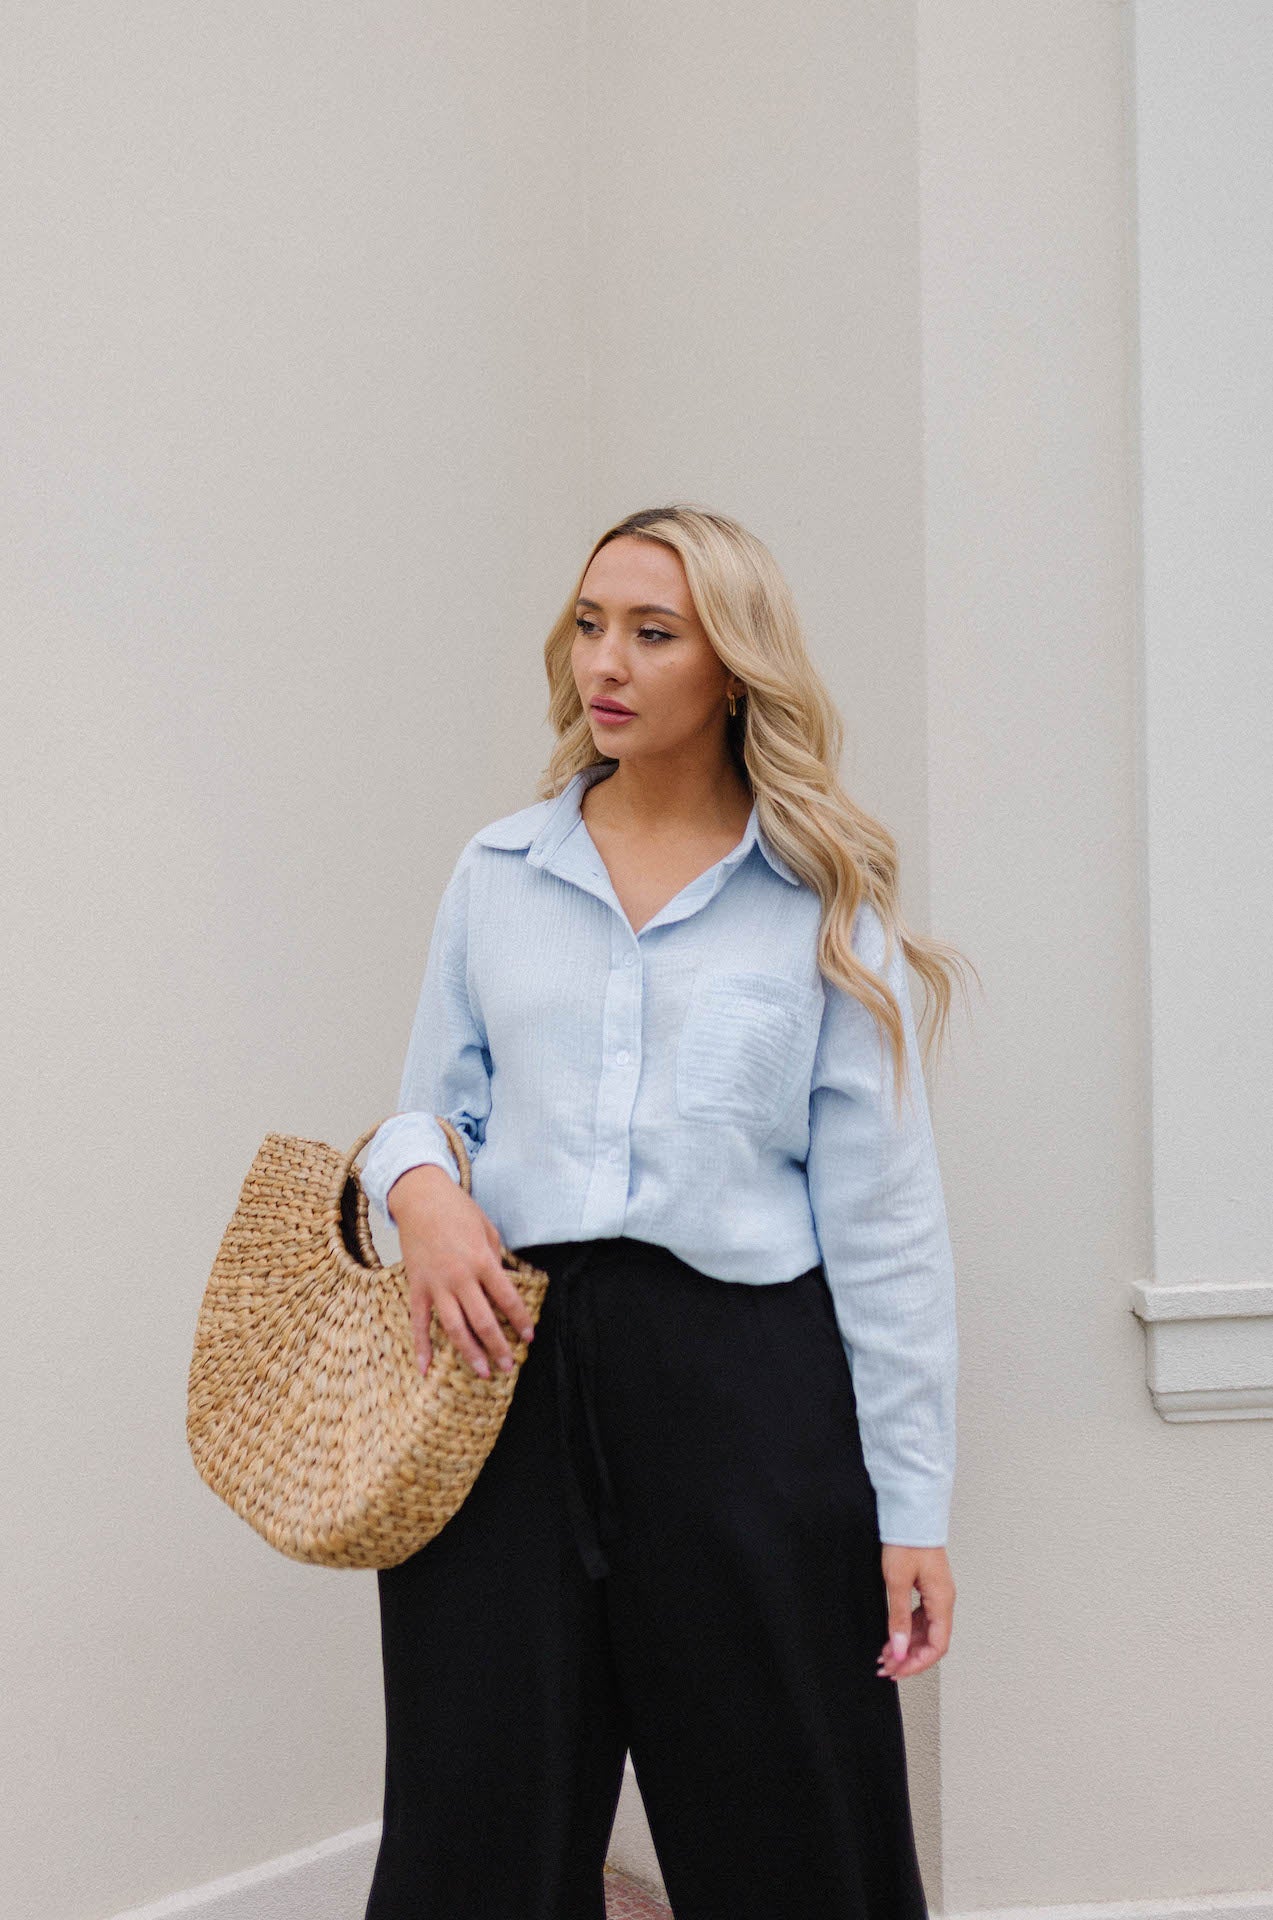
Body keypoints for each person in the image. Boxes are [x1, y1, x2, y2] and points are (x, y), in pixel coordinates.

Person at [358, 504, 975, 1920]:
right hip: (496, 1374)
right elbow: (424, 1107)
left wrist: (913, 1508)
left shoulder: (818, 906)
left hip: (744, 1390)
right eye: (588, 626)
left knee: (790, 1815)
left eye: (652, 632)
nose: (606, 665)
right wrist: (425, 1196)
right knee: (478, 1814)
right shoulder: (500, 873)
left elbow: (884, 1228)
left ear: (735, 667)